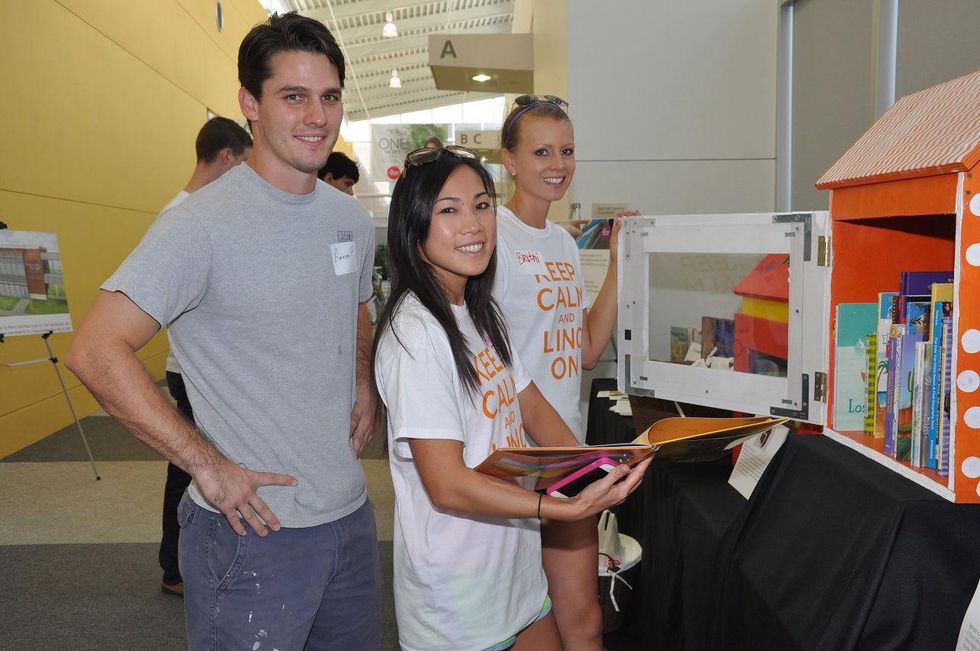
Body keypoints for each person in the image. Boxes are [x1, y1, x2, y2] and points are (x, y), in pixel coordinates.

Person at [66, 12, 381, 650]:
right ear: (249, 104)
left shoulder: (350, 219)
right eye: (293, 97)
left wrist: (362, 381)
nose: (317, 116)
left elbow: (355, 305)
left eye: (329, 96)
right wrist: (204, 465)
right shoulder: (200, 226)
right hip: (251, 531)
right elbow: (96, 350)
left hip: (350, 519)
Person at [372, 144, 650, 651]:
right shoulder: (416, 333)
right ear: (414, 227)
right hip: (459, 603)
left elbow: (534, 407)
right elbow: (447, 484)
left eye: (481, 205)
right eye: (448, 210)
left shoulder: (478, 312)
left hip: (515, 574)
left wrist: (597, 470)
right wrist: (561, 509)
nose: (473, 224)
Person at [494, 94, 636, 650]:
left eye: (567, 150)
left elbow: (584, 349)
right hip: (513, 459)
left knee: (584, 619)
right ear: (510, 160)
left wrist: (622, 258)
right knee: (520, 624)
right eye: (542, 151)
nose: (558, 164)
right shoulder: (491, 238)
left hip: (567, 453)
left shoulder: (563, 244)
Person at [156, 116, 252, 597]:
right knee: (193, 469)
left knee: (203, 468)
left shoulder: (208, 211)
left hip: (207, 369)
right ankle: (177, 568)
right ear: (226, 157)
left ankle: (181, 565)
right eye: (244, 163)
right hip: (192, 371)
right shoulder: (183, 216)